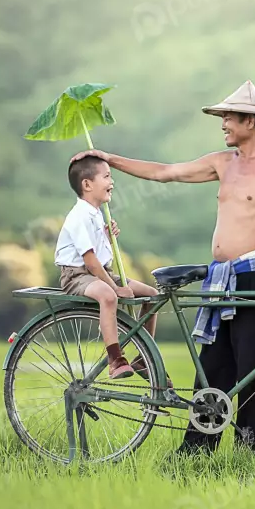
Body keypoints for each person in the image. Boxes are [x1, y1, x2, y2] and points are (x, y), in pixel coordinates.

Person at [71, 80, 255, 453]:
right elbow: (166, 172)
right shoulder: (221, 162)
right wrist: (109, 159)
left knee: (252, 366)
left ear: (250, 121)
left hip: (254, 275)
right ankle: (196, 451)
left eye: (228, 117)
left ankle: (251, 451)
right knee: (213, 364)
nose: (223, 124)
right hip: (217, 277)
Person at [55, 155, 160, 380]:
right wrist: (115, 287)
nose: (112, 182)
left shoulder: (95, 213)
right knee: (109, 296)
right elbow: (90, 261)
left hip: (101, 272)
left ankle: (143, 358)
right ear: (87, 184)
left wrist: (107, 236)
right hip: (77, 275)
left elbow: (100, 256)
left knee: (152, 295)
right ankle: (115, 359)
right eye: (106, 176)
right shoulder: (79, 216)